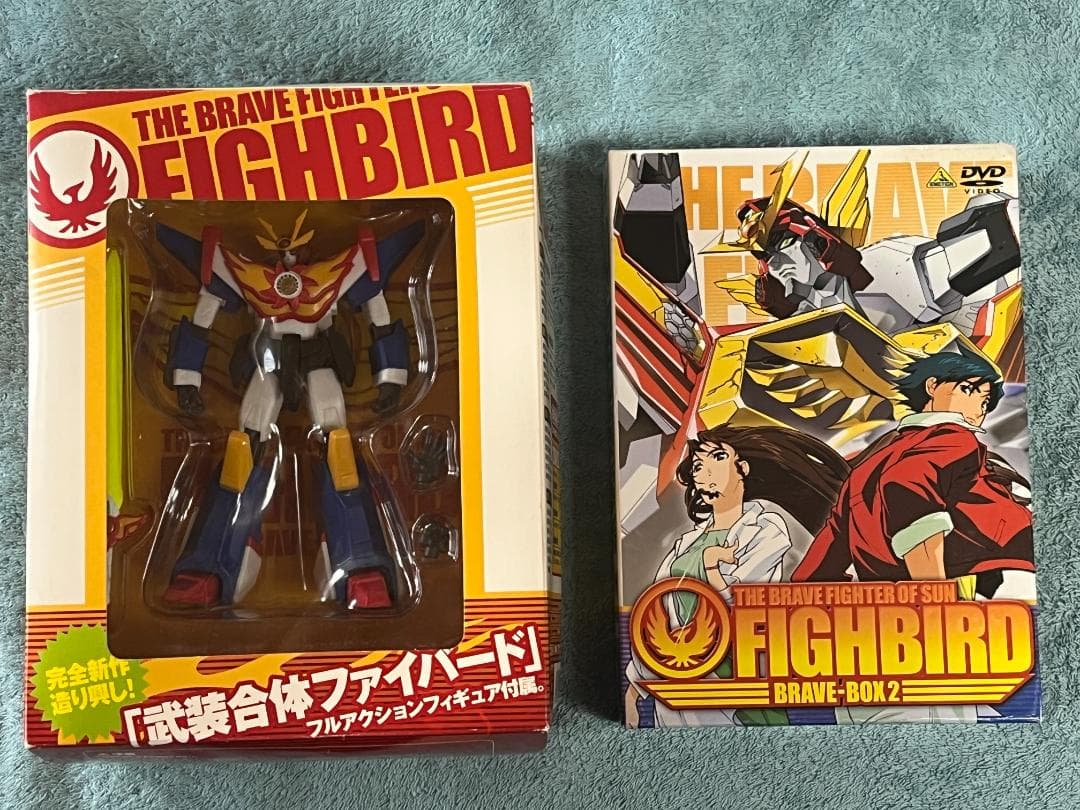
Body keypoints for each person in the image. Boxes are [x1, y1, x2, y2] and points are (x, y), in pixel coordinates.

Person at [624, 424, 848, 727]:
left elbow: (744, 606)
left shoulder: (767, 529)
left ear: (742, 468)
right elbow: (658, 615)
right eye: (698, 464)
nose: (704, 469)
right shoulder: (687, 542)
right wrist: (634, 686)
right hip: (683, 682)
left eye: (718, 457)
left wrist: (712, 568)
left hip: (737, 682)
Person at [793, 346, 1033, 590]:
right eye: (967, 389)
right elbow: (908, 490)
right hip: (1000, 575)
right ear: (932, 386)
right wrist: (933, 590)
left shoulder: (866, 469)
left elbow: (825, 556)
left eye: (985, 402)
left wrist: (802, 594)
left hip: (908, 593)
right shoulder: (954, 437)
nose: (977, 409)